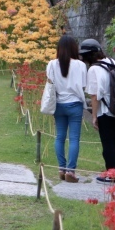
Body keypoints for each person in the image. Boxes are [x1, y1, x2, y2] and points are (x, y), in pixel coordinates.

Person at [79, 38, 115, 183]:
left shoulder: (94, 69)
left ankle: (111, 173)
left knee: (108, 142)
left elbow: (95, 96)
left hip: (105, 111)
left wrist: (94, 116)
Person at [47, 35, 87, 183]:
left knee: (60, 137)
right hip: (75, 103)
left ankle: (61, 168)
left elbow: (50, 84)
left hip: (58, 104)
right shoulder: (80, 65)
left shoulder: (52, 64)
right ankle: (71, 170)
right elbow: (83, 85)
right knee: (74, 138)